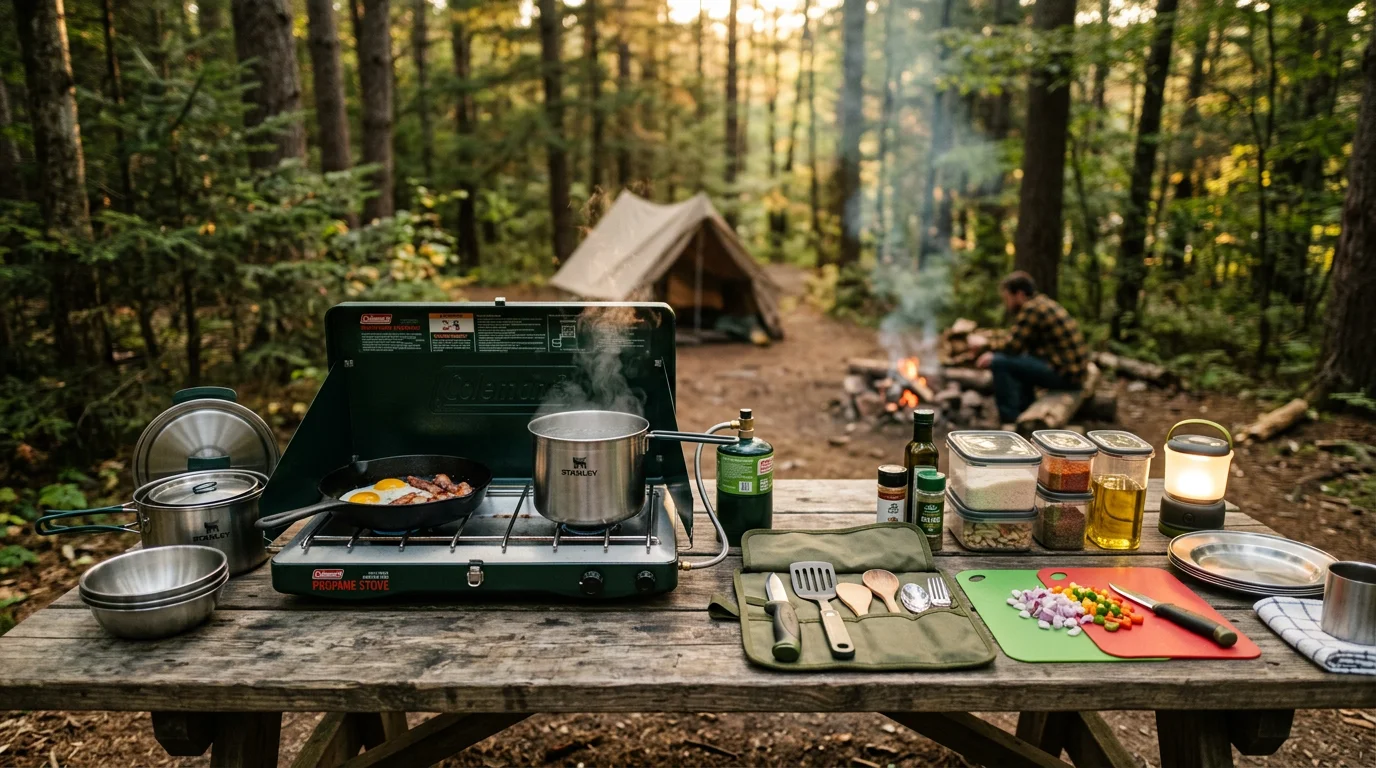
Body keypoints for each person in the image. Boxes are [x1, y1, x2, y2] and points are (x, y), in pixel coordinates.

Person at [968, 271, 1090, 425]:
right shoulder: (1042, 303)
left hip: (1066, 376)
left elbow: (1012, 346)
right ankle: (1025, 410)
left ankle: (1009, 419)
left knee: (999, 362)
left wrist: (987, 347)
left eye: (1007, 298)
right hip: (1072, 375)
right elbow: (1018, 340)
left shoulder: (1032, 308)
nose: (1007, 304)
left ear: (1019, 294)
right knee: (1021, 361)